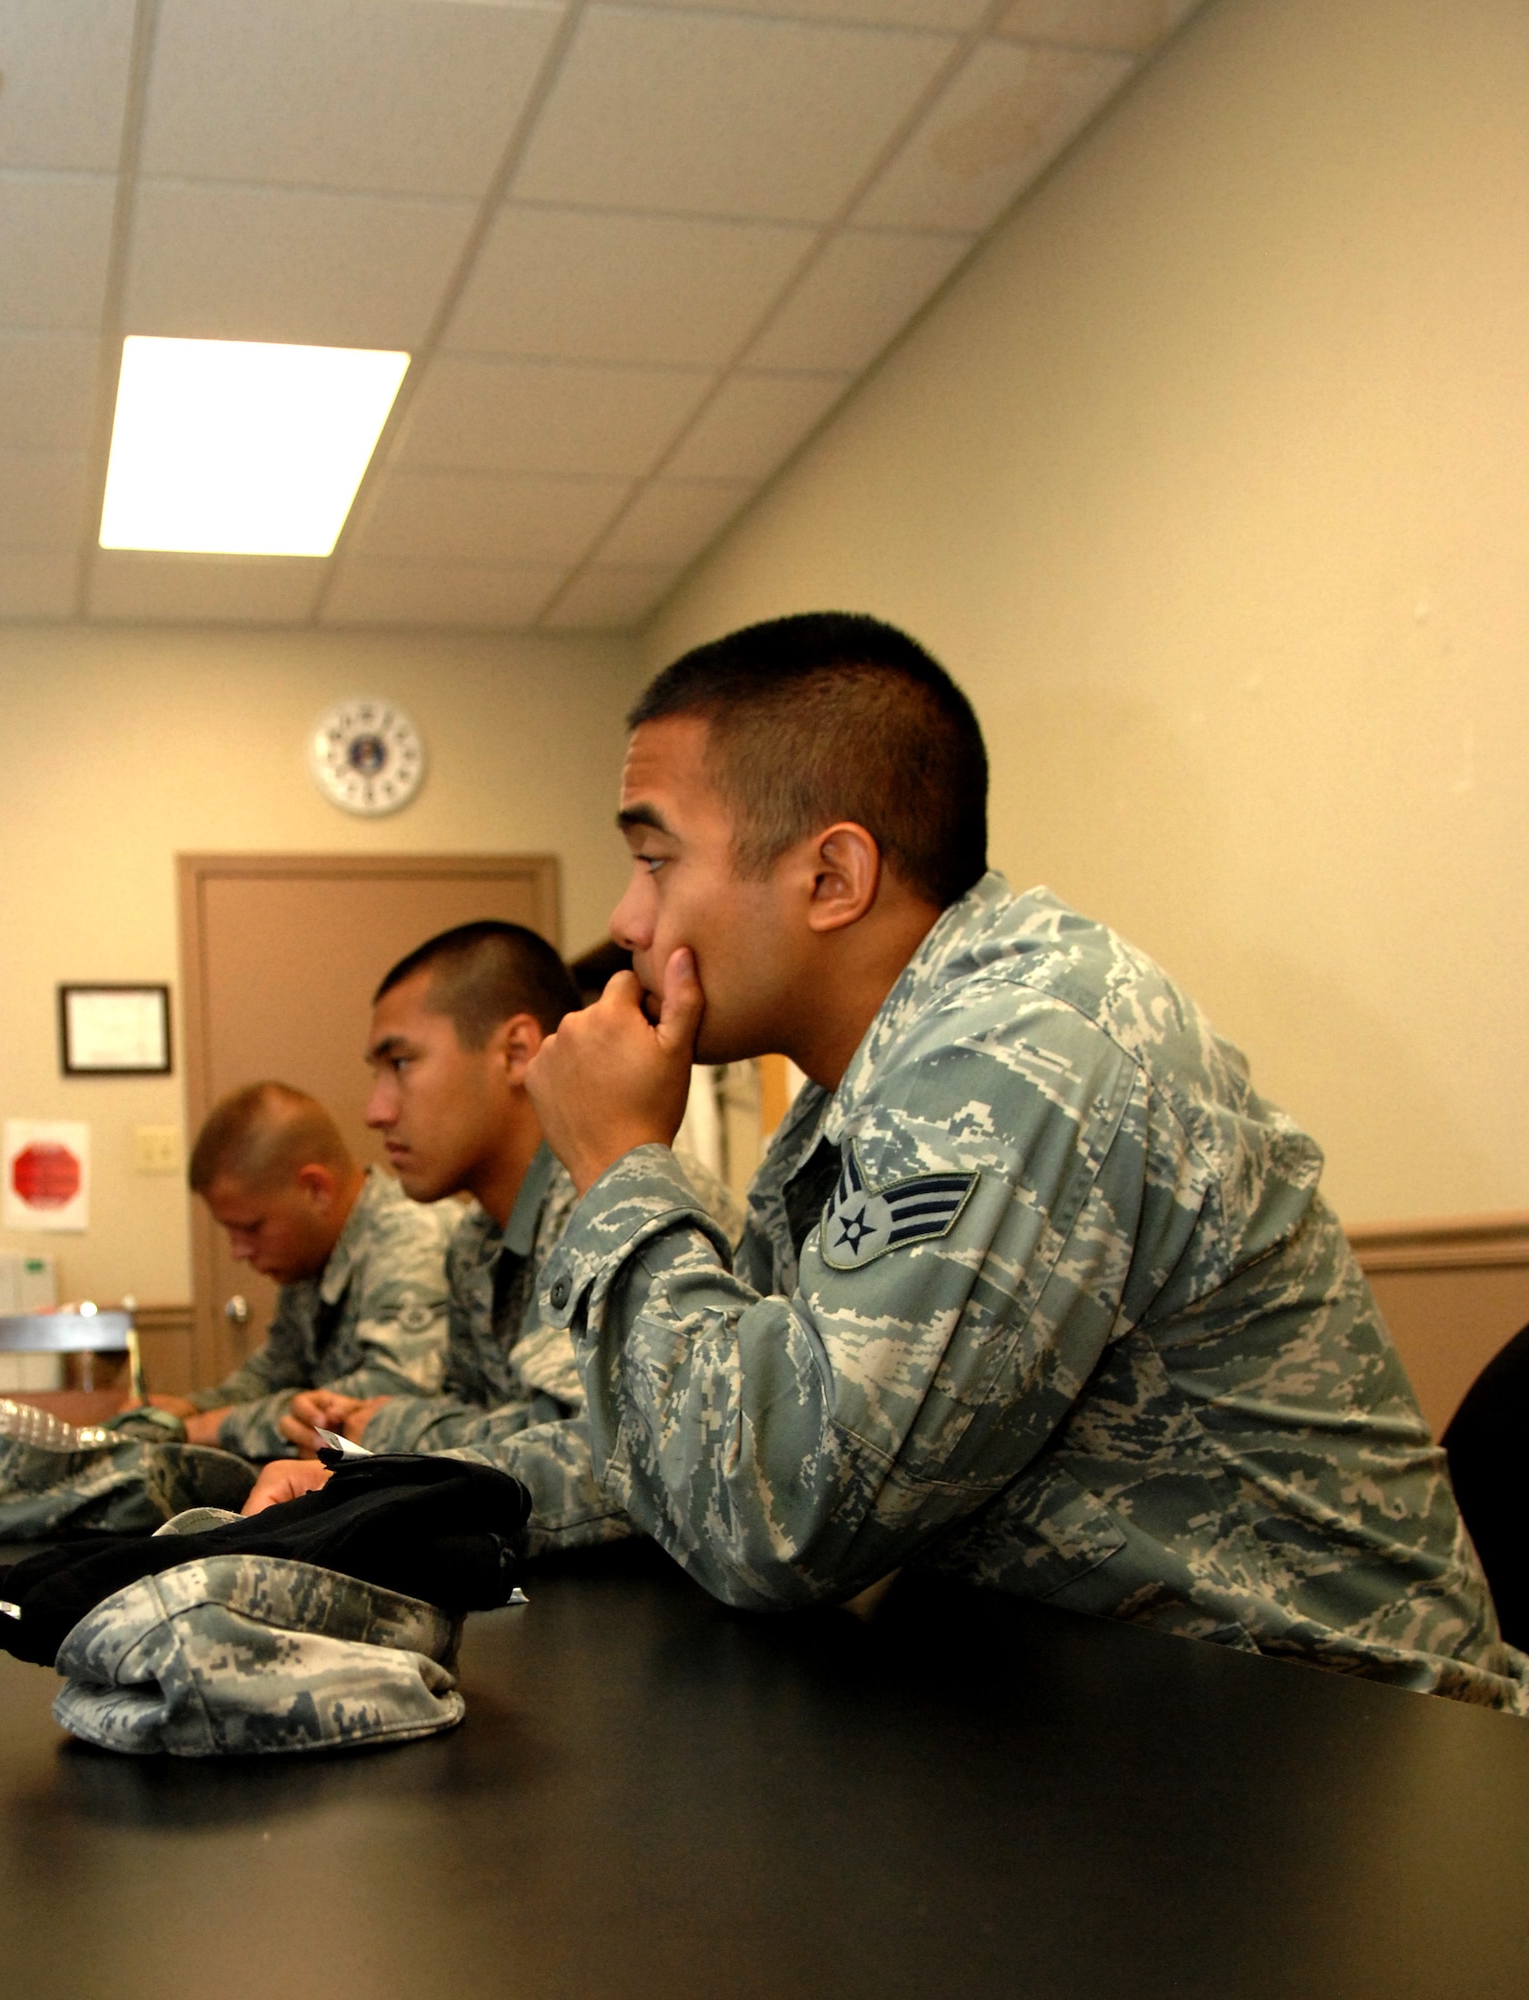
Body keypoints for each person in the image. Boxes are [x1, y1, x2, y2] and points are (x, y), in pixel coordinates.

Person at [521, 610, 1528, 1708]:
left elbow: (773, 1519)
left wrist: (619, 1164)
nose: (625, 918)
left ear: (831, 876)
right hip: (1136, 1732)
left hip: (1355, 1763)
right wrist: (408, 1491)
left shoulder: (1025, 1043)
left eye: (653, 859)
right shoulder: (860, 1088)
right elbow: (697, 1434)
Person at [248, 922, 735, 1546]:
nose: (376, 1110)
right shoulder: (476, 1243)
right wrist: (370, 1432)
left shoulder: (613, 1197)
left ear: (516, 1051)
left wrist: (392, 1441)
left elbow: (623, 1457)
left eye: (401, 1063)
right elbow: (489, 1418)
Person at [143, 1080, 452, 1461]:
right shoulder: (311, 1257)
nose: (239, 1251)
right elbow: (273, 1374)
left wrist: (212, 1427)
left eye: (251, 1227)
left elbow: (389, 1395)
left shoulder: (412, 1236)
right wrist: (184, 1412)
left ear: (316, 1190)